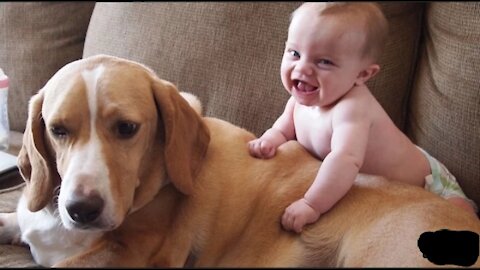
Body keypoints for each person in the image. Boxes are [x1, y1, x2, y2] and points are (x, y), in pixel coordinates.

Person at [248, 2, 477, 233]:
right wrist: (269, 141)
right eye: (294, 53)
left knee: (461, 224)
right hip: (387, 195)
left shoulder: (352, 109)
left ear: (362, 74)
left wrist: (311, 204)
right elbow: (283, 129)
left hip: (430, 183)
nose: (302, 69)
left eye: (324, 62)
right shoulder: (300, 101)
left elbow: (344, 161)